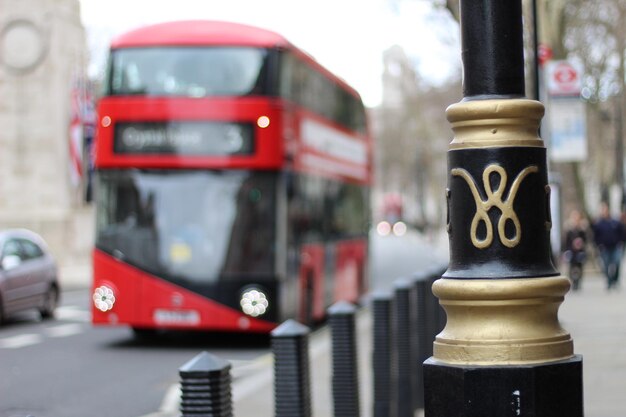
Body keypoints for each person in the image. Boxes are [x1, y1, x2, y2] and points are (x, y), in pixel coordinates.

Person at [591, 202, 625, 290]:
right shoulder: (598, 224)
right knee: (606, 265)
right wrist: (598, 245)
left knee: (617, 263)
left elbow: (622, 233)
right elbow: (595, 236)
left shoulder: (615, 222)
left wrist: (621, 242)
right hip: (604, 248)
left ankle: (615, 280)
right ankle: (609, 281)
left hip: (615, 247)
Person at [563, 210, 588, 291]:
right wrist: (565, 250)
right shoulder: (569, 230)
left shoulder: (582, 230)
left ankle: (578, 281)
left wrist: (581, 244)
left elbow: (585, 240)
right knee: (572, 267)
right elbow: (566, 242)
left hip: (580, 251)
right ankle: (573, 281)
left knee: (579, 266)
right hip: (571, 251)